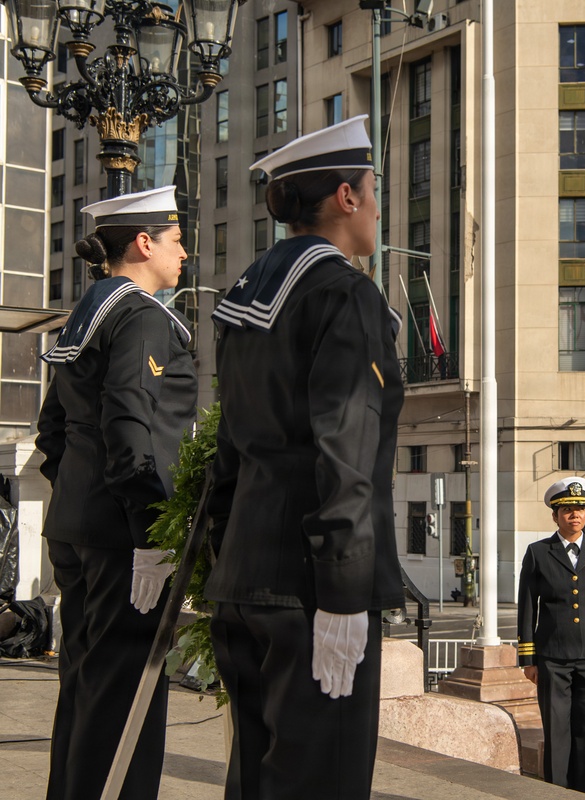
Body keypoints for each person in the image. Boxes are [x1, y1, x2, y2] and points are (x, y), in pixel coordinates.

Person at [205, 116, 403, 799]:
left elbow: (229, 446)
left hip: (246, 579)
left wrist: (217, 560)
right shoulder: (344, 294)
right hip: (314, 592)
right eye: (373, 188)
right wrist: (346, 594)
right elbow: (344, 450)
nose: (378, 205)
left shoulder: (243, 296)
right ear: (346, 197)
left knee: (255, 785)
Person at [36, 186, 196, 800]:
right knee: (125, 701)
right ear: (145, 242)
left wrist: (81, 494)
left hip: (75, 528)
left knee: (84, 688)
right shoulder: (143, 317)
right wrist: (151, 535)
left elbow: (54, 431)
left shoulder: (89, 313)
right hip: (123, 541)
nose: (184, 253)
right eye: (177, 240)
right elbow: (131, 428)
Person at [517, 477, 585, 795]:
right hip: (553, 658)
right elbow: (527, 607)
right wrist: (528, 658)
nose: (574, 515)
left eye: (579, 509)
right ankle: (557, 792)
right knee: (557, 732)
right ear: (555, 516)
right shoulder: (538, 553)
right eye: (567, 510)